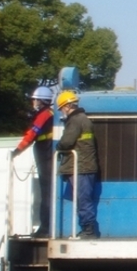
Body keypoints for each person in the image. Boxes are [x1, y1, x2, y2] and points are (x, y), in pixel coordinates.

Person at [56, 90, 101, 238]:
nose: (62, 111)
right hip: (84, 165)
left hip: (80, 167)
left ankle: (89, 230)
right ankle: (87, 228)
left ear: (68, 106)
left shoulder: (75, 121)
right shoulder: (83, 119)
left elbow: (67, 142)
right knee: (82, 198)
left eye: (62, 108)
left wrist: (58, 147)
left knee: (83, 199)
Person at [12, 86, 56, 237]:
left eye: (35, 100)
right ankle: (46, 226)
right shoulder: (50, 113)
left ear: (41, 101)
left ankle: (45, 228)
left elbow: (31, 134)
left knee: (47, 192)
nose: (33, 103)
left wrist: (16, 152)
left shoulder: (44, 115)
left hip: (46, 154)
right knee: (48, 191)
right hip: (46, 152)